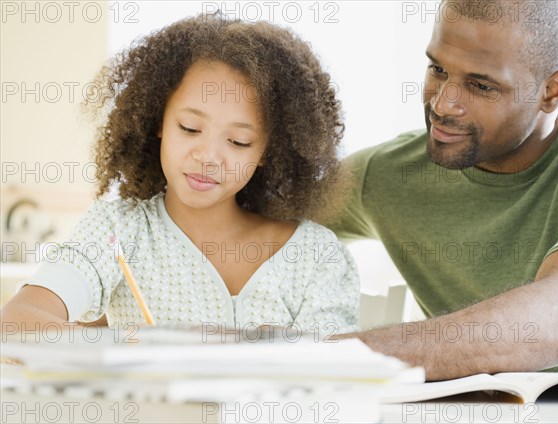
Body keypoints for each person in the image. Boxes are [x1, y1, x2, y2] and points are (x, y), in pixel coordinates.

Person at [0, 14, 359, 334]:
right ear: (157, 120)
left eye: (238, 141)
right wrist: (124, 347)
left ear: (268, 151)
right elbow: (17, 323)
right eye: (189, 128)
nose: (208, 157)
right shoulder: (119, 232)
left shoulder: (316, 255)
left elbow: (333, 376)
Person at [332, 0, 558, 380]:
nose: (443, 104)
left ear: (551, 91)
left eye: (480, 85)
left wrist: (329, 357)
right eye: (438, 69)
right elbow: (240, 219)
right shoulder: (386, 175)